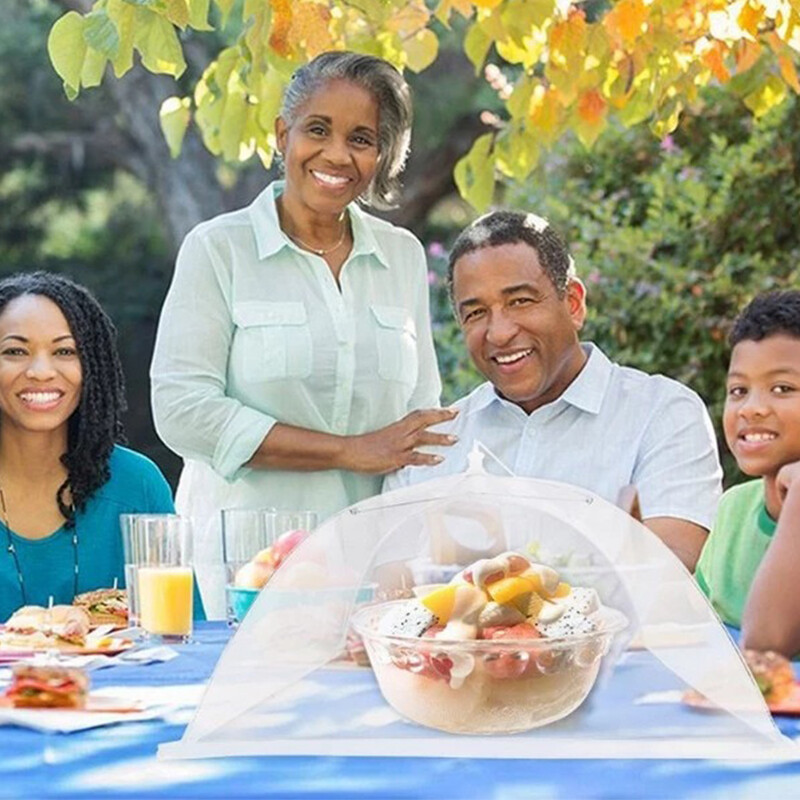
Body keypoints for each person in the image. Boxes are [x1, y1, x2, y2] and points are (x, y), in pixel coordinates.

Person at [151, 52, 455, 615]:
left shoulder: (403, 256)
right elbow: (181, 410)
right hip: (248, 569)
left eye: (362, 138)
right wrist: (348, 451)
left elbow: (420, 421)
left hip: (373, 571)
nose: (337, 154)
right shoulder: (219, 249)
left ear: (382, 154)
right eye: (318, 130)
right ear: (282, 134)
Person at [385, 210, 722, 571]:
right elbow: (387, 590)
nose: (499, 332)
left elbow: (671, 575)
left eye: (520, 301)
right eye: (476, 312)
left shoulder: (663, 415)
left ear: (573, 303)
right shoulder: (433, 444)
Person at [0, 272, 176, 622]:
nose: (41, 371)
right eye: (15, 351)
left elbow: (178, 638)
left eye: (65, 351)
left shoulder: (136, 483)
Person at [695, 291, 800, 656]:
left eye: (782, 389)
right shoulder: (734, 508)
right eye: (739, 390)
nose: (751, 408)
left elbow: (767, 649)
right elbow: (695, 630)